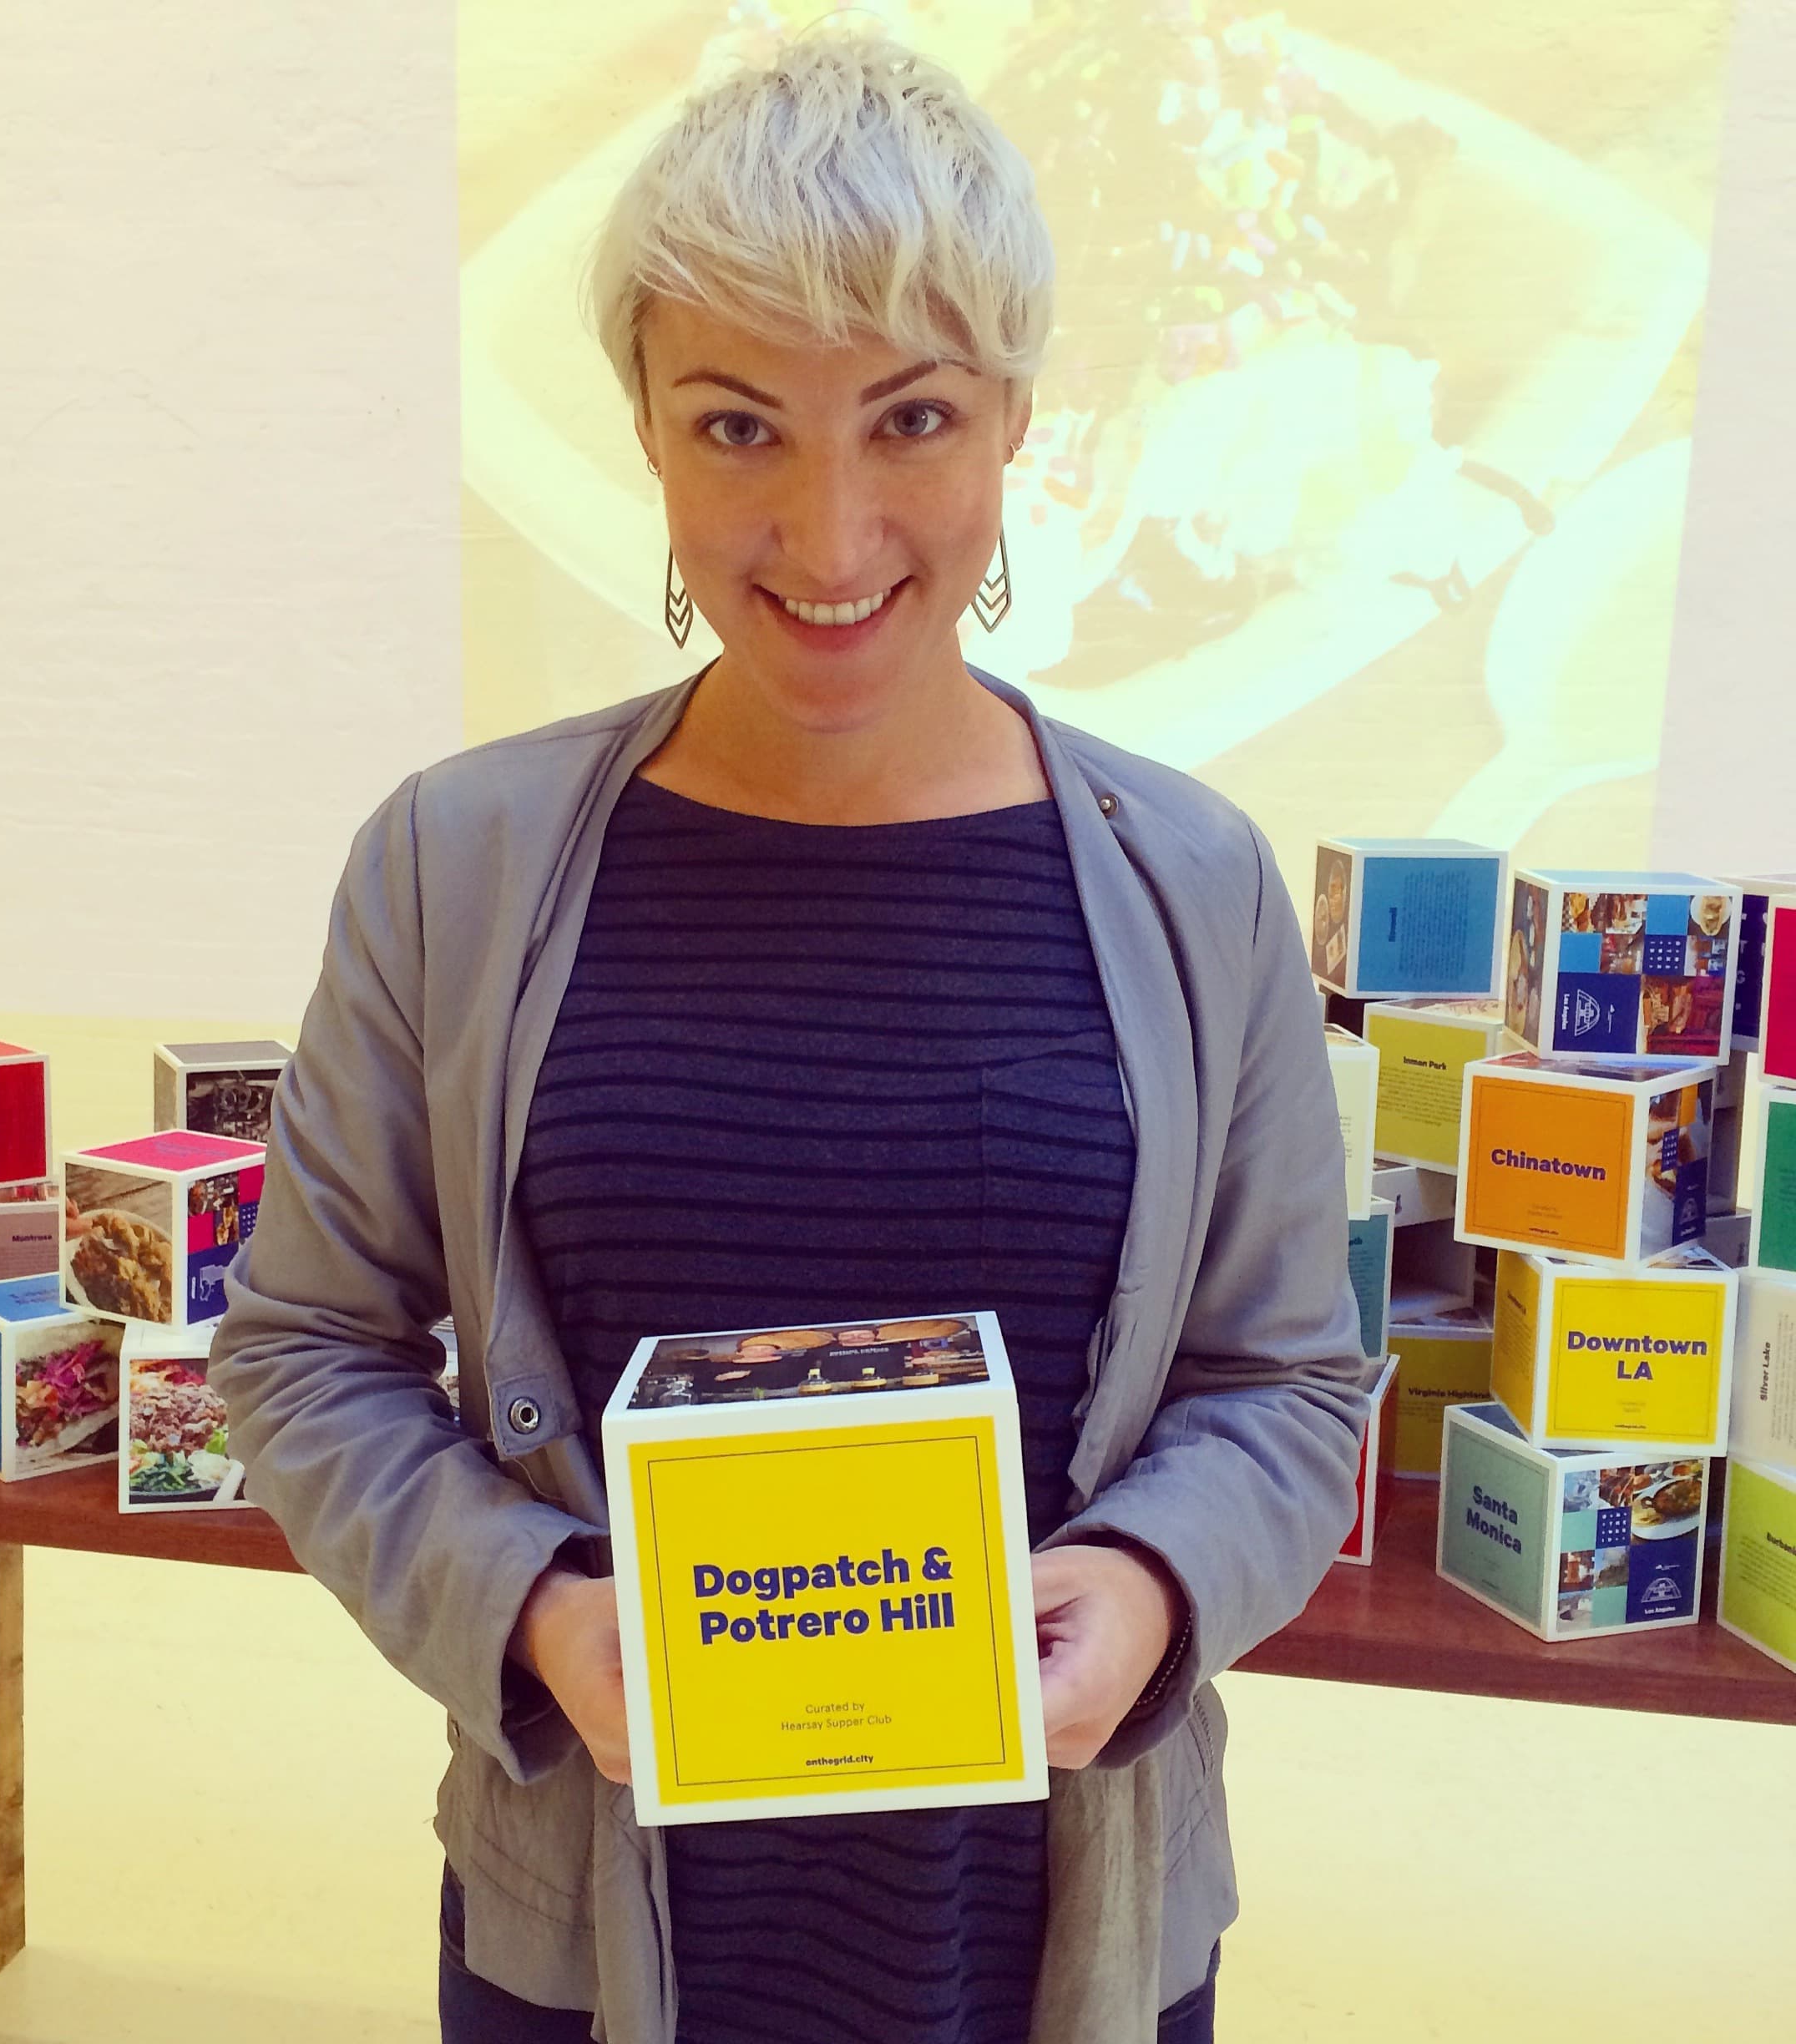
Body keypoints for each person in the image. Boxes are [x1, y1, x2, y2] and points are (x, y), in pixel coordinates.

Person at [209, 31, 1372, 2044]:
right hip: (596, 1914)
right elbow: (306, 1353)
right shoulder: (455, 866)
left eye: (909, 419)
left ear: (1015, 422)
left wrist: (1165, 1589)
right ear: (646, 431)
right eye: (739, 428)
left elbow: (1287, 1384)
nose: (830, 541)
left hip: (1062, 1921)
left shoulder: (1194, 883)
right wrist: (541, 1616)